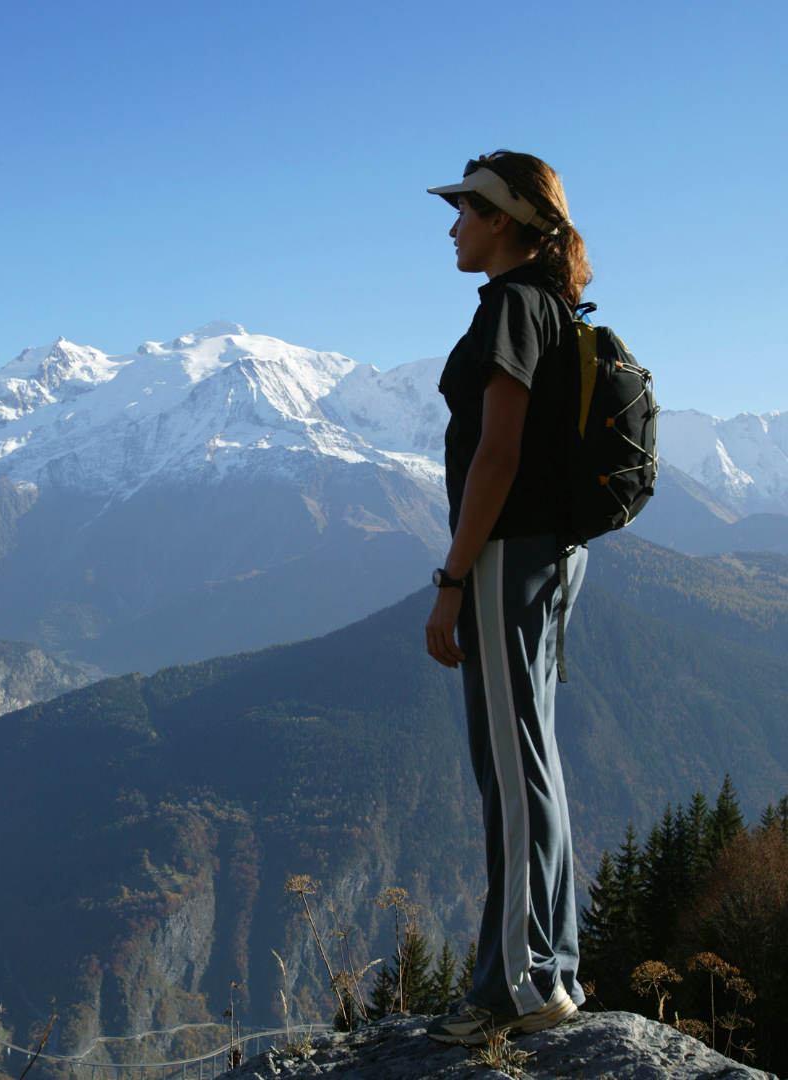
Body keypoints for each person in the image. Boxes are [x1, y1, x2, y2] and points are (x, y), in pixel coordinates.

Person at [421, 151, 592, 1046]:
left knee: (512, 768)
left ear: (504, 221)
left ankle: (518, 989)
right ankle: (549, 967)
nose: (453, 226)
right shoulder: (548, 305)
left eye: (466, 211)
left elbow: (498, 455)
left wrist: (454, 577)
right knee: (533, 757)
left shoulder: (512, 307)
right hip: (542, 558)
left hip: (504, 556)